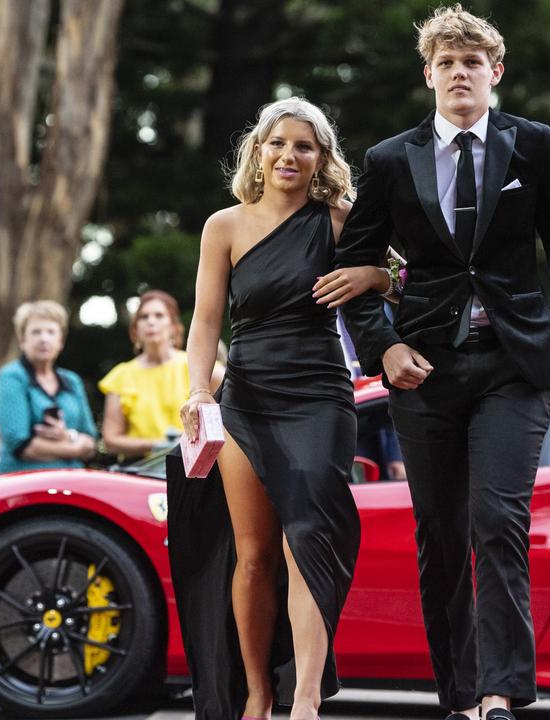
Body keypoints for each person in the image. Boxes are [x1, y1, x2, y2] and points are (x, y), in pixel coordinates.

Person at [333, 6, 550, 720]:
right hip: (423, 367)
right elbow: (354, 266)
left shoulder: (533, 146)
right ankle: (458, 697)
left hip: (513, 364)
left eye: (473, 62)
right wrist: (384, 347)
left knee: (498, 521)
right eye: (448, 63)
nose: (461, 73)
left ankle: (501, 693)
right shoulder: (391, 159)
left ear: (496, 72)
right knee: (442, 536)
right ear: (429, 75)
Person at [173, 97, 389, 720]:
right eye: (278, 143)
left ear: (321, 159)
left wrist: (373, 278)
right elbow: (206, 321)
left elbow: (408, 274)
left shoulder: (340, 220)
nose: (289, 155)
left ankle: (305, 699)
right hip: (246, 397)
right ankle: (257, 693)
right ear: (258, 152)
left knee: (308, 540)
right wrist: (198, 391)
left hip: (321, 394)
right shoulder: (224, 226)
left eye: (304, 146)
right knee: (254, 554)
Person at [99, 290, 218, 458]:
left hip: (193, 466)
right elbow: (111, 440)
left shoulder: (198, 365)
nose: (151, 322)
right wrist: (158, 445)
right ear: (135, 329)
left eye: (159, 315)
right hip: (140, 470)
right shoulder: (121, 375)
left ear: (173, 326)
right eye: (144, 317)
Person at [0, 301, 98, 474]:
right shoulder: (11, 377)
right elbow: (21, 445)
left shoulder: (72, 381)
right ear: (22, 340)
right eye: (36, 332)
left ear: (60, 341)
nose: (44, 338)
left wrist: (67, 436)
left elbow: (91, 440)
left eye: (50, 332)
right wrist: (75, 449)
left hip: (72, 483)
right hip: (24, 484)